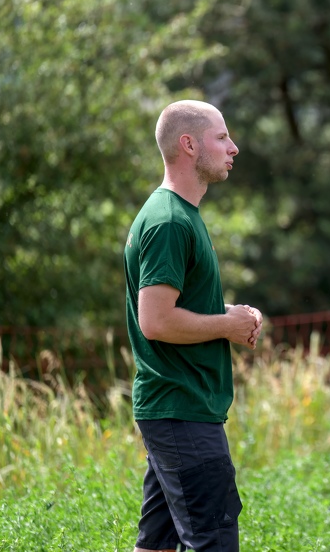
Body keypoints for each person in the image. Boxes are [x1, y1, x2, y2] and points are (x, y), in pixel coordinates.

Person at [124, 100, 262, 552]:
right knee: (214, 540)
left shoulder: (181, 215)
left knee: (158, 546)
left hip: (178, 408)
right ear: (188, 144)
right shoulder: (168, 221)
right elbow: (156, 320)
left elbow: (175, 305)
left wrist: (232, 316)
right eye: (222, 137)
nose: (233, 147)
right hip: (181, 408)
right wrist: (226, 325)